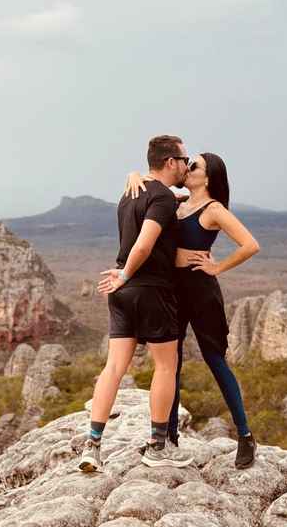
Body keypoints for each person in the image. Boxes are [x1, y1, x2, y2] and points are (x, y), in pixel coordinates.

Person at [125, 152, 260, 468]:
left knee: (215, 360)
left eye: (194, 165)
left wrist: (218, 267)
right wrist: (133, 175)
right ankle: (168, 436)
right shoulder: (179, 200)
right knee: (172, 364)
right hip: (173, 289)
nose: (188, 168)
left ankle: (245, 436)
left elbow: (250, 244)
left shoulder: (214, 209)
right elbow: (150, 181)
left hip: (200, 289)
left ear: (209, 176)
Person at [78, 134, 194, 473]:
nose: (186, 164)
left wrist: (121, 278)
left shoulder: (131, 193)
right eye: (183, 159)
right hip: (150, 289)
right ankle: (157, 446)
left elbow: (169, 192)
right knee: (165, 366)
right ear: (170, 162)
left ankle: (92, 445)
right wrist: (127, 274)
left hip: (121, 294)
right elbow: (143, 245)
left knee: (113, 368)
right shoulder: (161, 200)